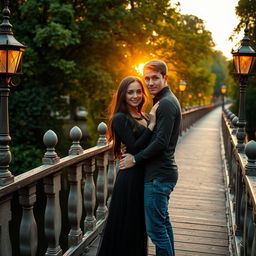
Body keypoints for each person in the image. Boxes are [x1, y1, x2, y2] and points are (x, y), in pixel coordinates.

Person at [120, 60, 181, 256]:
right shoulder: (164, 101)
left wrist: (135, 159)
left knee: (156, 231)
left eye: (155, 78)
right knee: (162, 225)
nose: (150, 82)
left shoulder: (166, 104)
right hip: (162, 174)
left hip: (158, 176)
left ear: (165, 78)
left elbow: (161, 143)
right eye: (147, 78)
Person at [96, 76, 159, 256]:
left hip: (144, 175)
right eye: (130, 92)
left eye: (138, 91)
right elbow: (134, 146)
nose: (135, 95)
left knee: (139, 225)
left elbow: (150, 145)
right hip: (129, 177)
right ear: (123, 95)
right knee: (127, 225)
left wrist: (150, 124)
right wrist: (152, 125)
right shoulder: (119, 118)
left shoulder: (143, 116)